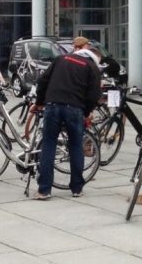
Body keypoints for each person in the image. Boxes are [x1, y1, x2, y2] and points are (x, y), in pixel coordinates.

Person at [32, 36, 101, 200]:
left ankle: (44, 190)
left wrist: (39, 102)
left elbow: (42, 81)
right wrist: (87, 111)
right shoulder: (91, 67)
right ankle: (77, 188)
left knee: (49, 145)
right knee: (76, 146)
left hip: (53, 106)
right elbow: (94, 95)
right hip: (75, 109)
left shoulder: (60, 59)